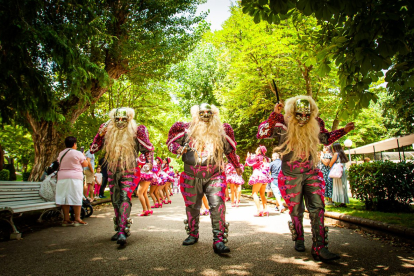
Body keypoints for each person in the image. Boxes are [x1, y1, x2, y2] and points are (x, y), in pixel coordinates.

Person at [256, 95, 355, 261]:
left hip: (311, 172)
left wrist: (343, 131)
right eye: (299, 115)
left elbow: (325, 139)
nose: (303, 118)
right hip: (290, 175)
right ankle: (299, 237)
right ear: (292, 113)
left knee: (317, 207)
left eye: (307, 115)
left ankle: (320, 247)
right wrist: (274, 114)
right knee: (296, 210)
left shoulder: (315, 124)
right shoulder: (281, 123)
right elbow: (262, 133)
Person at [166, 103, 242, 254]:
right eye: (202, 113)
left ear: (214, 115)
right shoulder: (186, 129)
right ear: (196, 115)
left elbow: (230, 151)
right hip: (191, 175)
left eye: (209, 113)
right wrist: (178, 149)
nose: (206, 116)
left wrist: (237, 165)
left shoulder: (222, 131)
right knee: (192, 206)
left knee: (217, 204)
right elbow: (170, 143)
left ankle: (219, 240)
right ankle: (193, 234)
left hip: (215, 174)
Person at [90, 107, 154, 245]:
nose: (120, 122)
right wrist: (100, 135)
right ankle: (120, 227)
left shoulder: (137, 130)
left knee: (125, 196)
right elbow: (93, 149)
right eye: (117, 119)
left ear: (129, 119)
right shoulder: (107, 131)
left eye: (123, 119)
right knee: (115, 199)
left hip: (129, 170)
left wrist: (150, 163)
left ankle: (122, 230)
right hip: (112, 170)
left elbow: (148, 148)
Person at [56, 136, 89, 226]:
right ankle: (77, 218)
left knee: (64, 197)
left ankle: (66, 219)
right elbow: (85, 164)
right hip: (75, 177)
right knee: (76, 196)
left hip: (62, 177)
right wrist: (84, 157)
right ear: (74, 144)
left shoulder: (61, 153)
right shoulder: (77, 153)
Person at [245, 146, 272, 217]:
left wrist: (248, 157)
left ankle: (259, 210)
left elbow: (248, 163)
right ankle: (266, 210)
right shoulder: (266, 159)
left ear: (259, 151)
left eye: (256, 150)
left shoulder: (257, 157)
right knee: (262, 194)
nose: (256, 151)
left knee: (254, 193)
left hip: (258, 176)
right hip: (265, 177)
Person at [330, 143, 350, 207]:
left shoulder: (336, 154)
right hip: (343, 171)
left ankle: (341, 201)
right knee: (343, 186)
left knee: (339, 186)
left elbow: (330, 164)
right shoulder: (342, 154)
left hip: (337, 172)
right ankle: (343, 202)